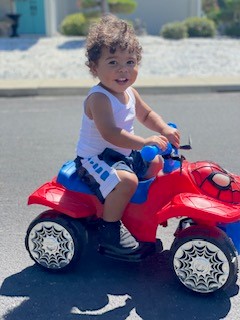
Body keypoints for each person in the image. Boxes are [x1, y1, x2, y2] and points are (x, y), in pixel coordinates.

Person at [75, 14, 180, 257]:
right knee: (127, 181)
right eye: (112, 62)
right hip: (96, 158)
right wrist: (145, 141)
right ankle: (110, 230)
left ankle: (132, 211)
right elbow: (111, 133)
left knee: (156, 163)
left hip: (122, 153)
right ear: (94, 68)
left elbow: (146, 115)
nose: (123, 69)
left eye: (130, 62)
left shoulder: (130, 92)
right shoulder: (98, 98)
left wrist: (164, 129)